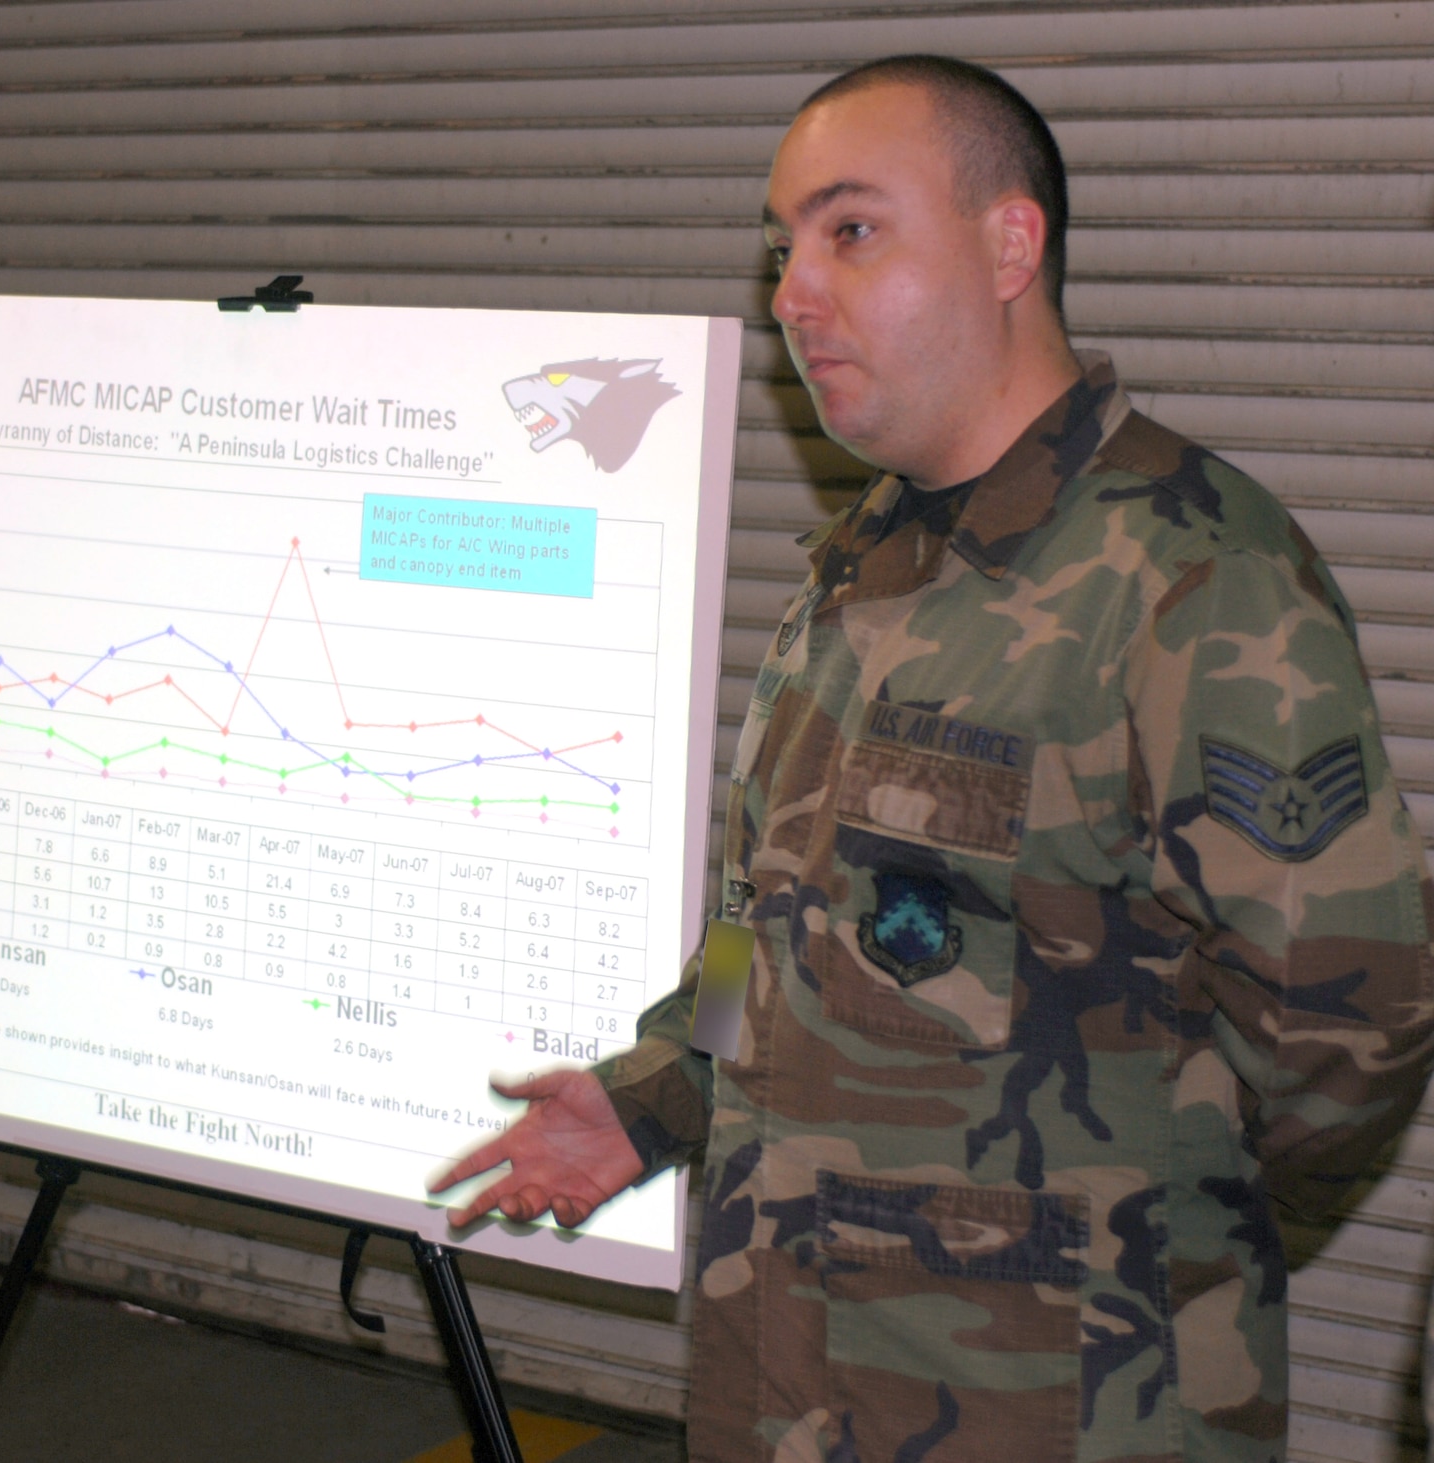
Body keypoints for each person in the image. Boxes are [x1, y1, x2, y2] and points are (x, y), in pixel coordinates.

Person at [430, 54, 1434, 1463]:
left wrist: (1145, 1213)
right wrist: (662, 1093)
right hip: (788, 1379)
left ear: (1009, 242)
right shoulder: (866, 567)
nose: (791, 293)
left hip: (1061, 1406)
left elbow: (1351, 1023)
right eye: (782, 247)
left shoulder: (1192, 578)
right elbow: (763, 928)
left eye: (850, 231)